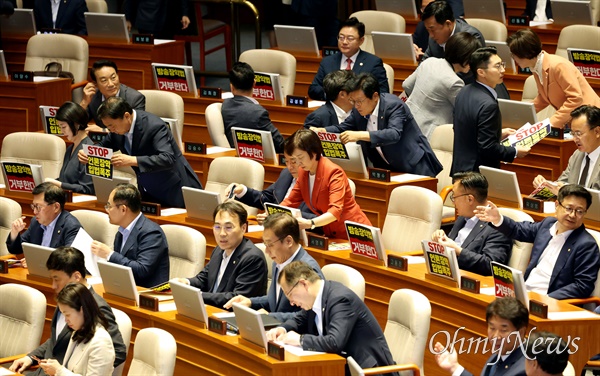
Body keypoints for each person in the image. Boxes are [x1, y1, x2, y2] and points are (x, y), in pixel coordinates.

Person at [266, 261, 398, 375]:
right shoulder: (314, 299)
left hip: (368, 370)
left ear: (303, 284)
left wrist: (300, 340)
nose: (291, 302)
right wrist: (282, 329)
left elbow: (335, 342)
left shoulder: (340, 300)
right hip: (341, 366)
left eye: (290, 294)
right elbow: (299, 320)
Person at [9, 247, 126, 375]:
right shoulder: (66, 298)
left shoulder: (97, 307)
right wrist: (31, 357)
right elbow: (57, 340)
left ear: (76, 276)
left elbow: (117, 350)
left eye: (57, 279)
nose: (53, 285)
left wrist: (80, 368)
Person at [476, 184, 600, 299]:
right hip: (524, 293)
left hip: (548, 301)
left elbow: (582, 286)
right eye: (569, 208)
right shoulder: (547, 225)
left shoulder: (586, 245)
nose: (573, 215)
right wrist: (498, 219)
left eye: (579, 211)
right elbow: (518, 229)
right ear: (557, 205)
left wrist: (547, 299)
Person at [77, 96, 202, 208]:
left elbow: (167, 158)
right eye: (108, 127)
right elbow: (103, 146)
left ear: (126, 116)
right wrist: (89, 153)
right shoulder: (116, 131)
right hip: (148, 189)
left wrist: (133, 160)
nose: (111, 130)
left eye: (112, 126)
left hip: (173, 189)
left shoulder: (154, 126)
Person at [319, 73, 443, 177]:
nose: (356, 106)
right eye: (353, 101)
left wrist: (360, 135)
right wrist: (322, 131)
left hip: (414, 166)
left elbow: (394, 134)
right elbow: (343, 127)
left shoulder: (394, 105)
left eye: (359, 101)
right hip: (388, 169)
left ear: (375, 96)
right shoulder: (359, 110)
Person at [224, 213, 324, 321]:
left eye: (270, 245)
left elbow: (311, 316)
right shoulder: (278, 261)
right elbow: (276, 301)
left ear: (288, 241)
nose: (266, 251)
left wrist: (270, 317)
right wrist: (251, 302)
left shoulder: (308, 270)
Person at [280, 129, 372, 239]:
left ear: (314, 153)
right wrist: (271, 214)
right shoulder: (303, 172)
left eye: (301, 157)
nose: (298, 163)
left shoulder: (334, 172)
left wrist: (310, 223)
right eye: (295, 159)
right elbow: (290, 201)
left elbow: (335, 211)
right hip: (331, 234)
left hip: (355, 233)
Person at [451, 47, 529, 175]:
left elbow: (465, 129)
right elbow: (487, 148)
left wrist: (497, 133)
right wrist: (514, 151)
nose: (503, 70)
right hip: (478, 174)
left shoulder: (464, 92)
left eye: (502, 64)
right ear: (481, 72)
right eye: (497, 66)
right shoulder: (488, 105)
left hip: (461, 168)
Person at [174, 201, 268, 308]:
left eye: (228, 227)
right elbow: (203, 279)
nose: (222, 234)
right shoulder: (219, 250)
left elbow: (236, 298)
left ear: (243, 228)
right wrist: (185, 282)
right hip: (213, 310)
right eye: (217, 227)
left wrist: (196, 295)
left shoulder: (252, 258)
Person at [506, 29, 600, 129]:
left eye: (514, 55)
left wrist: (551, 123)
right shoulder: (536, 67)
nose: (513, 59)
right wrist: (523, 111)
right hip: (576, 119)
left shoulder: (558, 66)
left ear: (525, 54)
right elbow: (544, 97)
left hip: (592, 119)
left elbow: (575, 98)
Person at [419, 1, 510, 99]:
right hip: (447, 90)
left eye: (432, 29)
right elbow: (425, 62)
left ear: (448, 24)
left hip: (474, 92)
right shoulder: (434, 38)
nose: (431, 35)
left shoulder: (472, 37)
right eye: (428, 30)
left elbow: (468, 72)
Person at [403, 32, 481, 140]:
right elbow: (465, 114)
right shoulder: (454, 82)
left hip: (405, 122)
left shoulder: (430, 61)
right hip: (427, 135)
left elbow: (406, 85)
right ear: (465, 57)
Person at [431, 172, 511, 276]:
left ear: (470, 199)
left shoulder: (498, 226)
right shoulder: (462, 218)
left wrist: (458, 251)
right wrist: (442, 239)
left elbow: (491, 265)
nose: (453, 202)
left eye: (454, 197)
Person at [91, 184, 170, 288]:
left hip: (147, 294)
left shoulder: (151, 233)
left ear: (123, 209)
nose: (107, 210)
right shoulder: (121, 231)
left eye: (109, 206)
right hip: (125, 289)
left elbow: (142, 270)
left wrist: (109, 254)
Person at [434, 297, 528, 376]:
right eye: (492, 328)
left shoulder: (525, 369)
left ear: (520, 332)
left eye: (503, 330)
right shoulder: (497, 356)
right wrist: (454, 367)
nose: (495, 336)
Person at [37, 283, 115, 376]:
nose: (66, 320)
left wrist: (59, 371)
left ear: (82, 310)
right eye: (63, 315)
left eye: (68, 315)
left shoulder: (101, 342)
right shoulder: (77, 332)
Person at [308, 17, 389, 101]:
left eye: (350, 38)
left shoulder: (373, 63)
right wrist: (334, 95)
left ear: (361, 40)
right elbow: (313, 89)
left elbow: (383, 93)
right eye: (341, 37)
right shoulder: (327, 61)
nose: (344, 42)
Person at [226, 149, 316, 219]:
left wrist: (279, 215)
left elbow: (319, 219)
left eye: (293, 162)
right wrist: (243, 191)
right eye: (286, 161)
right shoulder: (286, 174)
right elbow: (266, 198)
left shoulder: (319, 183)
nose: (289, 167)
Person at [533, 105, 600, 195]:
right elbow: (562, 183)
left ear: (597, 132)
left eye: (579, 134)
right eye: (573, 134)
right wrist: (546, 185)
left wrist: (565, 192)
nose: (575, 139)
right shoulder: (577, 155)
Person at [221, 62, 285, 153]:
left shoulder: (225, 105)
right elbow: (279, 143)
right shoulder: (258, 112)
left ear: (231, 87)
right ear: (254, 83)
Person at [6, 182, 81, 255]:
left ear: (56, 207)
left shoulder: (71, 226)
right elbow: (16, 249)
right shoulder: (36, 222)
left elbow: (70, 259)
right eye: (33, 206)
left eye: (38, 207)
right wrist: (15, 233)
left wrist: (37, 260)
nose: (35, 212)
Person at [80, 60, 146, 130]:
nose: (111, 84)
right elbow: (77, 123)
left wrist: (104, 131)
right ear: (95, 84)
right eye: (104, 80)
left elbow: (137, 128)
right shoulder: (93, 96)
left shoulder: (135, 99)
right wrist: (84, 102)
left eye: (113, 78)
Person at [45, 102, 94, 195]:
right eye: (60, 127)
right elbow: (65, 180)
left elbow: (87, 189)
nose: (61, 131)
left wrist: (59, 184)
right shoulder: (70, 148)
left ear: (77, 124)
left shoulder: (89, 151)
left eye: (64, 127)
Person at [125, 0, 190, 39]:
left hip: (169, 20)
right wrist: (128, 18)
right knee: (149, 54)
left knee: (166, 53)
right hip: (147, 18)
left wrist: (185, 14)